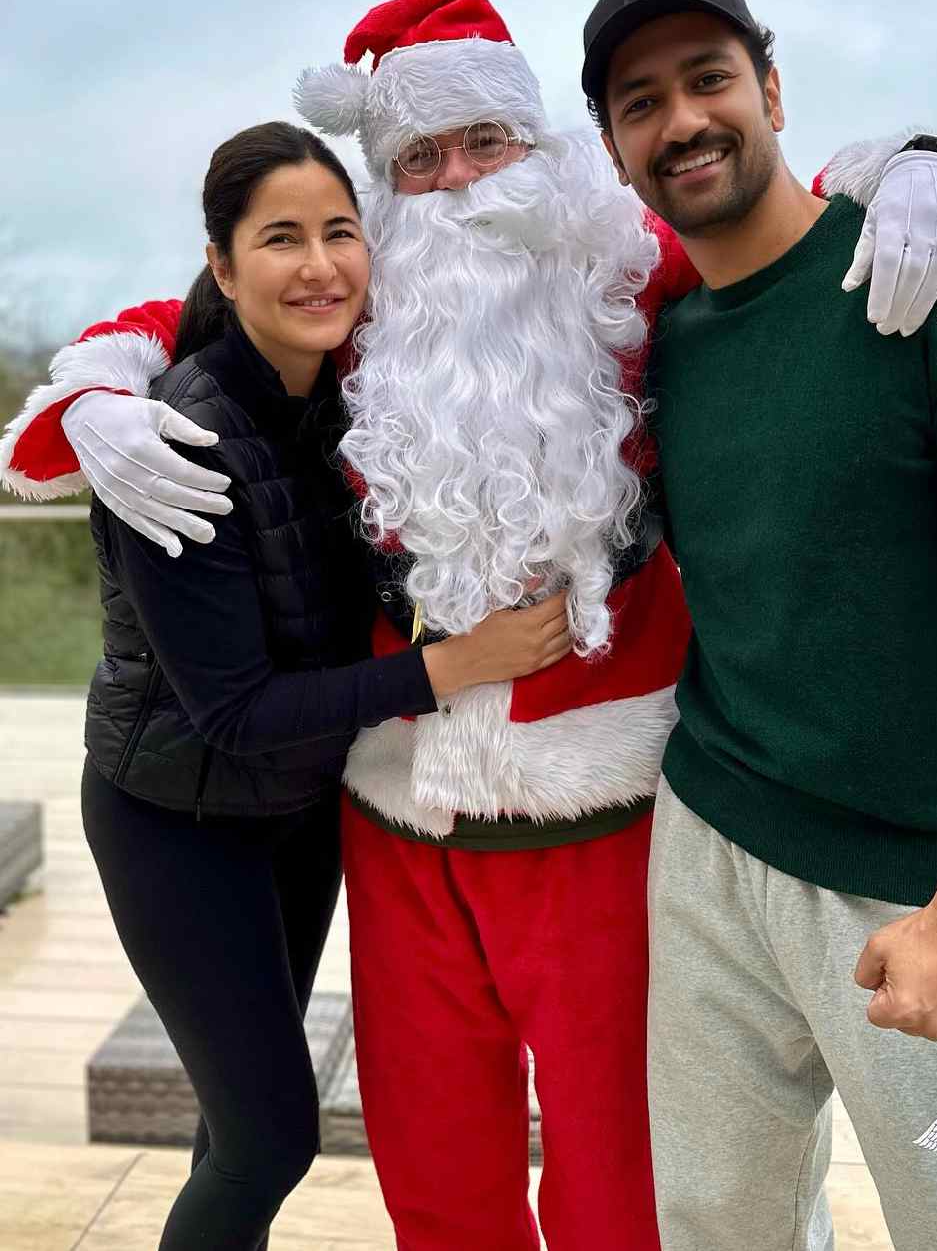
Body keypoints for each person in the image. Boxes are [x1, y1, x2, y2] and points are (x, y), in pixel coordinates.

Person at [0, 0, 937, 1251]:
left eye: (488, 143)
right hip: (397, 828)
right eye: (420, 158)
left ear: (544, 154)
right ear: (383, 192)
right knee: (436, 1182)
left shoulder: (621, 278)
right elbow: (198, 317)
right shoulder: (362, 304)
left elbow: (817, 238)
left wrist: (927, 170)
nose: (462, 182)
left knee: (621, 1190)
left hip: (610, 829)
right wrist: (100, 380)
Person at [580, 0, 937, 1251]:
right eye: (641, 101)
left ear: (773, 85)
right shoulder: (668, 350)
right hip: (709, 844)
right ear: (615, 146)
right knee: (720, 1222)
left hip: (911, 881)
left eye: (709, 78)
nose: (682, 119)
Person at [76, 119, 571, 1251]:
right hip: (176, 822)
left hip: (291, 816)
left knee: (231, 1129)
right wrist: (453, 665)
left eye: (340, 233)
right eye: (281, 238)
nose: (319, 265)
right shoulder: (175, 443)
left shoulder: (339, 397)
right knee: (270, 1140)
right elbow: (234, 710)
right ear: (222, 263)